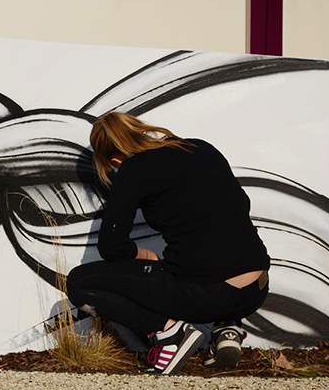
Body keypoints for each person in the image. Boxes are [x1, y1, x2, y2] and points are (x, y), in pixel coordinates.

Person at [66, 111, 270, 375]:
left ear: (114, 159)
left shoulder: (133, 168)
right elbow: (242, 205)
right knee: (218, 253)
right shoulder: (200, 147)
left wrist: (145, 255)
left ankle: (170, 334)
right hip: (256, 288)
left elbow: (111, 247)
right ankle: (226, 329)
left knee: (79, 283)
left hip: (209, 296)